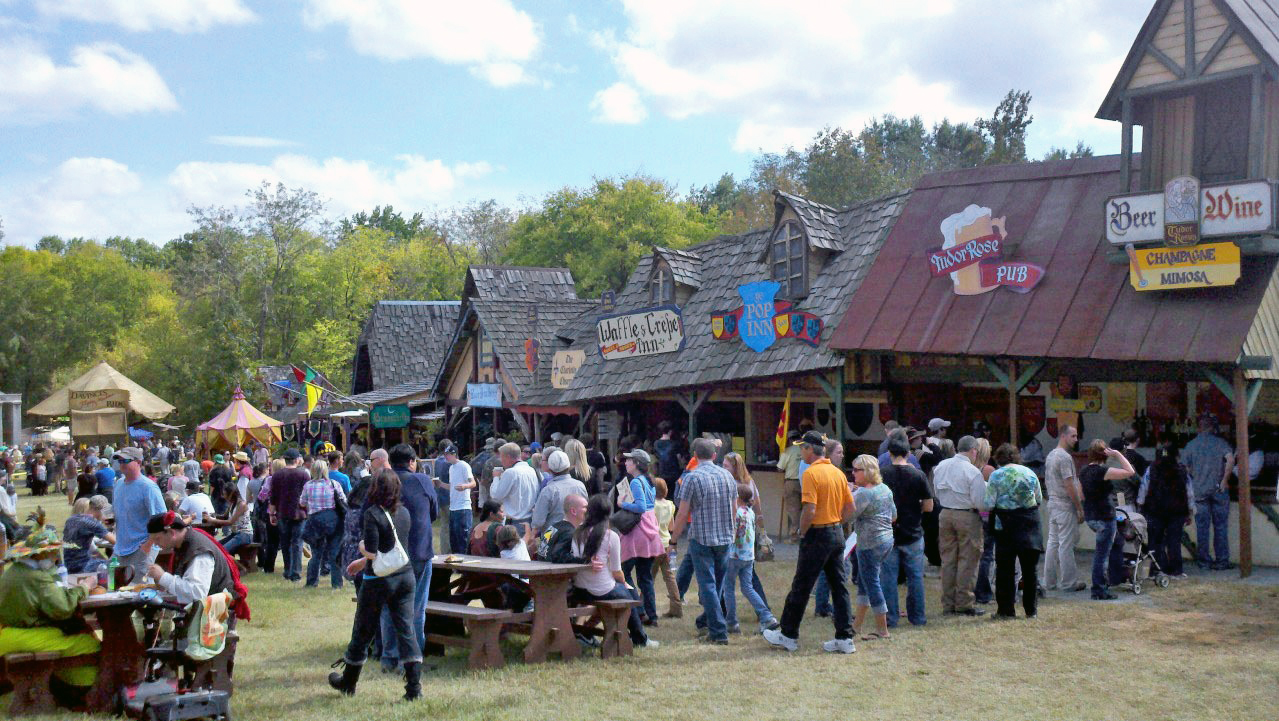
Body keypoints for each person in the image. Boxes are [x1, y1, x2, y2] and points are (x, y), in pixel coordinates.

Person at [328, 469, 423, 701]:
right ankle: (414, 689)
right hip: (405, 576)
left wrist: (361, 550)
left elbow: (372, 550)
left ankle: (348, 683)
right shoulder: (404, 513)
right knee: (406, 631)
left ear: (374, 489)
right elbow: (392, 548)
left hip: (379, 581)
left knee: (362, 631)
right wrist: (364, 562)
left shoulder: (372, 513)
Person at [763, 431, 856, 654]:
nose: (800, 451)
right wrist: (836, 522)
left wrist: (801, 531)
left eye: (802, 448)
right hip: (835, 532)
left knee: (801, 586)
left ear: (809, 449)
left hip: (817, 535)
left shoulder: (811, 474)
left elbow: (810, 509)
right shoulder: (837, 473)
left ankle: (788, 634)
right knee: (839, 587)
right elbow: (850, 508)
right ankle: (844, 637)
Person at [0, 527, 100, 702]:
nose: (55, 556)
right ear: (38, 554)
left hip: (8, 634)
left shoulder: (14, 571)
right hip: (24, 636)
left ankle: (68, 685)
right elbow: (63, 608)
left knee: (68, 634)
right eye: (52, 552)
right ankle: (81, 689)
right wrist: (85, 586)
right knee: (90, 642)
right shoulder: (37, 577)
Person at [568, 494, 657, 649]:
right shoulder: (611, 536)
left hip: (580, 588)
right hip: (602, 588)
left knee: (623, 594)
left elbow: (576, 560)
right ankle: (640, 638)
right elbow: (617, 571)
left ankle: (587, 632)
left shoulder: (578, 533)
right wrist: (624, 584)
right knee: (629, 595)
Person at [383, 443, 437, 673]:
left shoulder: (381, 481)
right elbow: (433, 512)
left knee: (389, 607)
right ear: (412, 461)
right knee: (415, 607)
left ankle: (389, 657)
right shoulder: (422, 480)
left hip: (388, 553)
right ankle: (412, 659)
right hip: (418, 551)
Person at [142, 512, 250, 615]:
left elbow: (197, 594)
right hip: (204, 610)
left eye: (157, 539)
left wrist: (163, 577)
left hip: (214, 615)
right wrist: (164, 585)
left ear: (171, 532)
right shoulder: (184, 543)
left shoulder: (199, 552)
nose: (155, 544)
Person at [984, 444, 1044, 619]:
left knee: (1005, 570)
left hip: (1005, 526)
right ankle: (1031, 610)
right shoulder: (1029, 473)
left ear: (999, 458)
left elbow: (988, 504)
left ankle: (1006, 610)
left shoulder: (996, 476)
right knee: (1030, 570)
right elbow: (1038, 499)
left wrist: (984, 517)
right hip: (1030, 524)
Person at [880, 433, 933, 627]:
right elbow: (928, 506)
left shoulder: (882, 474)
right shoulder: (917, 475)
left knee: (888, 578)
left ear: (889, 452)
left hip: (889, 531)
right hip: (913, 532)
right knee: (915, 578)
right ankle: (917, 617)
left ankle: (890, 618)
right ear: (908, 453)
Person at [933, 435, 988, 616]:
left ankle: (947, 603)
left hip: (945, 513)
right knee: (968, 560)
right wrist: (986, 516)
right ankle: (964, 602)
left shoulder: (941, 466)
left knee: (948, 560)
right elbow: (980, 502)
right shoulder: (972, 472)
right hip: (967, 515)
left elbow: (936, 492)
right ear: (973, 451)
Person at [615, 448, 665, 626]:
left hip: (638, 531)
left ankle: (638, 610)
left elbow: (641, 507)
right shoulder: (648, 480)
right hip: (651, 529)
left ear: (636, 463)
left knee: (623, 572)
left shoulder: (636, 482)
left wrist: (623, 503)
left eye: (629, 460)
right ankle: (652, 616)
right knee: (646, 577)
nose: (626, 463)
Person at [1080, 439, 1136, 600]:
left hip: (1091, 516)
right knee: (1102, 555)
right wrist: (1118, 454)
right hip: (1104, 516)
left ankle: (1114, 577)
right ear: (1104, 454)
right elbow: (1130, 471)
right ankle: (1099, 589)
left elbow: (1081, 493)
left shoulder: (1084, 471)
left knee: (1115, 543)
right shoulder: (1102, 471)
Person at [721, 483, 780, 634]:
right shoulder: (750, 512)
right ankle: (767, 617)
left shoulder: (736, 513)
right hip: (748, 556)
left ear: (737, 497)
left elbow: (733, 534)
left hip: (735, 555)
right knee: (747, 587)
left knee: (728, 587)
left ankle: (732, 622)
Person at [850, 455, 896, 640]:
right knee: (864, 582)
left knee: (872, 584)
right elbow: (893, 516)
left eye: (856, 470)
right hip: (887, 541)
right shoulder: (885, 489)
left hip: (869, 544)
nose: (852, 473)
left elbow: (846, 515)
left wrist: (848, 495)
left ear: (867, 472)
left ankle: (882, 630)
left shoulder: (863, 493)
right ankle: (856, 626)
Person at [1182, 415, 1235, 570]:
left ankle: (1204, 561)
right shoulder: (1221, 443)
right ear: (1213, 427)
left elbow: (1184, 468)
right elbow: (1230, 459)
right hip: (1219, 489)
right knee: (1221, 526)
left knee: (1202, 528)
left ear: (1199, 427)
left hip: (1199, 491)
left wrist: (1194, 477)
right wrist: (1225, 480)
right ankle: (1222, 561)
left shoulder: (1191, 445)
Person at [110, 447, 167, 582]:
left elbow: (161, 519)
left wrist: (147, 545)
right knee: (112, 585)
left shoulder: (148, 487)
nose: (122, 464)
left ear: (139, 462)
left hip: (141, 548)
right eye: (120, 460)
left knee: (137, 591)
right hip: (120, 548)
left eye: (126, 460)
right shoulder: (118, 484)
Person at [1139, 442, 1194, 579]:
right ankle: (1176, 571)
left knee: (1155, 541)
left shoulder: (1151, 469)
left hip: (1154, 510)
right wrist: (1191, 511)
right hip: (1177, 512)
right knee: (1174, 541)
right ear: (1176, 455)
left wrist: (1140, 506)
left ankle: (1157, 570)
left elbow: (1143, 488)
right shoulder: (1182, 470)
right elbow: (1189, 493)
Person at [1043, 425, 1087, 592]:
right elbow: (1069, 484)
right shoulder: (1064, 457)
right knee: (1066, 544)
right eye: (1073, 436)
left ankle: (1049, 581)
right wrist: (1079, 507)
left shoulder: (1051, 455)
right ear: (1063, 436)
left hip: (1053, 503)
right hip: (1064, 504)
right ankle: (1069, 582)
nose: (1076, 439)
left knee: (1053, 543)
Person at [299, 458, 346, 589]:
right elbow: (343, 500)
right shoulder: (334, 484)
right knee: (334, 552)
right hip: (333, 520)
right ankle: (337, 584)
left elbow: (302, 503)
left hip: (315, 521)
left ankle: (311, 582)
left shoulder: (308, 485)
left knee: (316, 554)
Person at [270, 449, 311, 582]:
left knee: (285, 543)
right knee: (297, 543)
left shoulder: (277, 475)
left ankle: (287, 570)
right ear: (296, 460)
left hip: (282, 512)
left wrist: (272, 513)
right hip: (299, 512)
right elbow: (307, 495)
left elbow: (273, 496)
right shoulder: (303, 474)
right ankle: (296, 573)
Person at [531, 449, 588, 535]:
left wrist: (531, 537)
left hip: (552, 535)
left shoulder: (548, 490)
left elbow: (538, 522)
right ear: (568, 466)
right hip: (576, 532)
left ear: (550, 467)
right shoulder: (580, 486)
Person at [649, 476, 683, 618]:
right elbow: (671, 526)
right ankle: (676, 608)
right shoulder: (670, 505)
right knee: (669, 577)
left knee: (649, 577)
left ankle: (644, 607)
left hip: (654, 545)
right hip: (667, 543)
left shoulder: (651, 505)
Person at [490, 442, 539, 530]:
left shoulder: (511, 472)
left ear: (508, 457)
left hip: (515, 522)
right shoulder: (531, 470)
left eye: (502, 457)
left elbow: (495, 496)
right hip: (529, 520)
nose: (501, 460)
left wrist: (496, 477)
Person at [62, 495, 115, 574]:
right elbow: (115, 541)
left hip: (69, 565)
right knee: (117, 564)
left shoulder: (71, 519)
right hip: (83, 566)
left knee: (103, 560)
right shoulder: (92, 523)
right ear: (102, 510)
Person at [440, 444, 474, 553]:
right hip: (453, 508)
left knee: (463, 539)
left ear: (454, 454)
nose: (446, 457)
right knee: (454, 539)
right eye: (445, 454)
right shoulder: (451, 468)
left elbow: (473, 483)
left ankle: (466, 565)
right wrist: (440, 484)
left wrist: (465, 486)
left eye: (448, 454)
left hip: (463, 507)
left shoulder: (464, 465)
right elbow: (452, 487)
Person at [207, 482, 253, 555]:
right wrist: (212, 515)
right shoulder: (232, 504)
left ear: (231, 494)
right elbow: (224, 517)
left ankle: (229, 565)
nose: (223, 496)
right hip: (235, 534)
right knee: (216, 546)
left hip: (245, 534)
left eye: (225, 494)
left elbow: (230, 522)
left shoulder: (241, 504)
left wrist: (212, 520)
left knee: (223, 551)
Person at [776, 430, 804, 541]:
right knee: (806, 507)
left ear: (790, 439)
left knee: (793, 509)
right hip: (805, 482)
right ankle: (804, 532)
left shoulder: (787, 451)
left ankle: (794, 535)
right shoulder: (806, 449)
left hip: (791, 482)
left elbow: (780, 468)